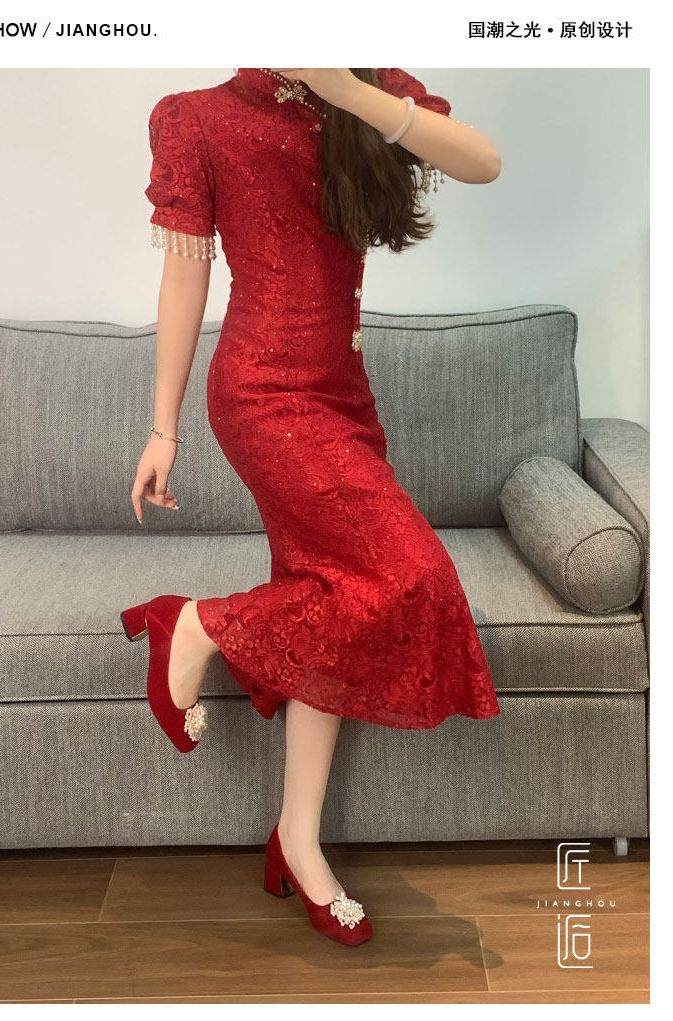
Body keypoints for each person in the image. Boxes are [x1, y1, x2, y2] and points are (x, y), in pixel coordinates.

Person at [121, 67, 502, 946]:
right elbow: (185, 278)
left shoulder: (369, 89)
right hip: (262, 394)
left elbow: (483, 162)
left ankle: (297, 838)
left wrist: (347, 89)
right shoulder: (198, 118)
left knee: (336, 596)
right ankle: (195, 624)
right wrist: (163, 428)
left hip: (343, 393)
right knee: (414, 575)